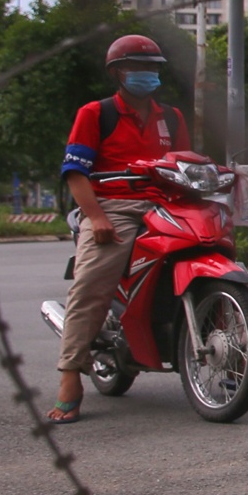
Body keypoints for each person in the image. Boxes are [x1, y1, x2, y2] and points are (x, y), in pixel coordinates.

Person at [53, 35, 191, 425]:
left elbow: (183, 164)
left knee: (220, 256)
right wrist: (95, 217)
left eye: (152, 68)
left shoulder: (172, 118)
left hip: (165, 204)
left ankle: (241, 362)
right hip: (113, 205)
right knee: (92, 282)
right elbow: (75, 173)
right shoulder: (95, 113)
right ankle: (69, 376)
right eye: (138, 68)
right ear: (117, 73)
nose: (147, 75)